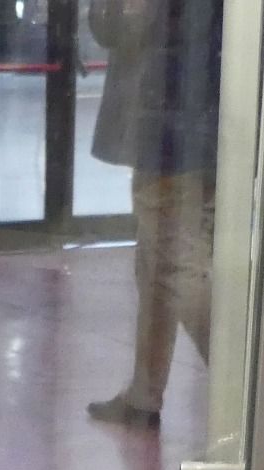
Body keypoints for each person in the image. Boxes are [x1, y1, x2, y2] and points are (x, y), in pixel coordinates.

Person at [86, 0, 223, 428]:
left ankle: (246, 389)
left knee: (176, 264)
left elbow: (123, 26)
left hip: (169, 123)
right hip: (194, 119)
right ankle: (144, 395)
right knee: (155, 263)